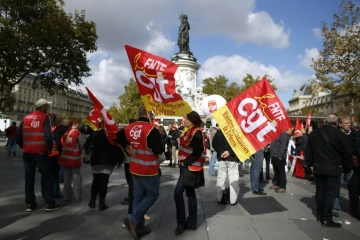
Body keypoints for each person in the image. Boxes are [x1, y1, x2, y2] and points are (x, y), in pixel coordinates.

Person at [117, 106, 163, 239]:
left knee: (138, 196)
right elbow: (158, 150)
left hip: (134, 167)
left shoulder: (129, 127)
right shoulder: (151, 129)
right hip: (148, 169)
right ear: (149, 116)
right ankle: (133, 218)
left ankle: (140, 228)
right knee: (152, 195)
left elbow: (117, 137)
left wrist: (128, 146)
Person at [305, 113, 352, 227]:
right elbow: (347, 153)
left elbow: (308, 151)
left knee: (320, 192)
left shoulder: (314, 133)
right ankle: (326, 218)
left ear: (325, 122)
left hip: (319, 167)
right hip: (334, 168)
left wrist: (310, 164)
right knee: (330, 194)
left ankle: (320, 214)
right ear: (337, 123)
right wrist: (347, 167)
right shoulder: (340, 135)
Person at [16, 99, 60, 212]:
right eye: (47, 106)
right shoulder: (45, 117)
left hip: (27, 153)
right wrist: (49, 148)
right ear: (43, 107)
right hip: (41, 152)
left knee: (29, 178)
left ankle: (30, 204)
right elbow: (48, 135)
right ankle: (49, 203)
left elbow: (18, 136)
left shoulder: (26, 118)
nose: (48, 109)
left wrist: (24, 146)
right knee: (47, 177)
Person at [174, 111, 205, 235]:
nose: (184, 121)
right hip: (185, 167)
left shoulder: (196, 132)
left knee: (177, 193)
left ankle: (181, 223)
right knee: (190, 194)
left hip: (190, 168)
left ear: (192, 120)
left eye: (186, 119)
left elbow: (198, 151)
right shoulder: (188, 130)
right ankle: (192, 223)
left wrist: (186, 162)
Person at [88, 122, 124, 211]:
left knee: (95, 180)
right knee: (104, 181)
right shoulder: (113, 135)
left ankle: (92, 201)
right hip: (108, 161)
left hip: (96, 160)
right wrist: (120, 160)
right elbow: (119, 148)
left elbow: (87, 145)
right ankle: (101, 203)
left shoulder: (95, 134)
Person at [58, 117, 85, 202]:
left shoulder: (67, 132)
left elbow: (62, 142)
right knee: (76, 179)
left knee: (67, 179)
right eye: (78, 123)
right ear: (75, 124)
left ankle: (66, 196)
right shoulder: (77, 133)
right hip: (74, 158)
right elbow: (82, 144)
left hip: (66, 158)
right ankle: (77, 196)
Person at [212, 129, 240, 204]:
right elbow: (239, 144)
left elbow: (214, 144)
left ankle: (219, 197)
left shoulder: (219, 131)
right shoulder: (236, 131)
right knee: (233, 179)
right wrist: (230, 152)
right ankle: (233, 200)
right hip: (233, 158)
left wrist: (221, 152)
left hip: (221, 158)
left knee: (221, 178)